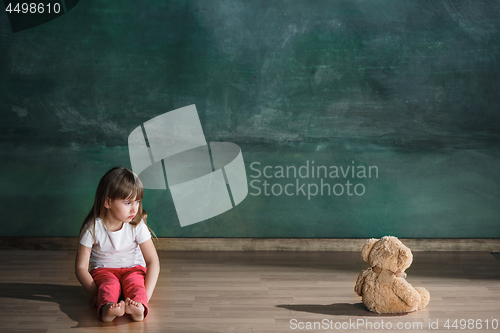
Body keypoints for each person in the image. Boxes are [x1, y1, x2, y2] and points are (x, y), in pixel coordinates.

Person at [75, 167, 160, 322]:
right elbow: (81, 268)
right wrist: (96, 295)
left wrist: (145, 297)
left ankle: (139, 308)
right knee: (109, 286)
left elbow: (153, 261)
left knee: (135, 284)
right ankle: (107, 308)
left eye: (137, 202)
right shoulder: (92, 228)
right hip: (104, 272)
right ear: (108, 202)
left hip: (133, 269)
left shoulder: (137, 225)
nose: (135, 208)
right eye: (128, 202)